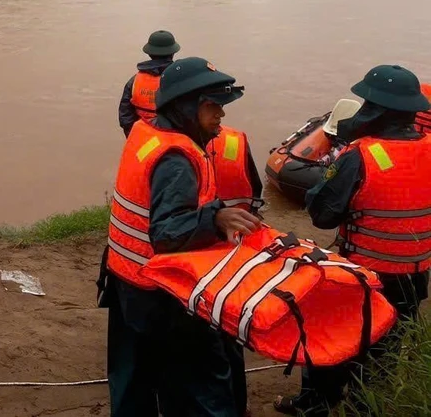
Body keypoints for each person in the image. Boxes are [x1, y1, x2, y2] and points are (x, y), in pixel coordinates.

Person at [100, 57, 262, 417]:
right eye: (213, 106)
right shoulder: (177, 158)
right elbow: (166, 233)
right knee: (202, 387)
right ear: (186, 107)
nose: (221, 114)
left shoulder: (146, 134)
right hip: (163, 294)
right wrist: (214, 218)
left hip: (126, 281)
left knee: (132, 381)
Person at [276, 65, 431, 416]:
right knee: (386, 350)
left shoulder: (360, 155)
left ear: (377, 110)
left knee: (330, 338)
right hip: (414, 276)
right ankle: (365, 407)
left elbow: (323, 214)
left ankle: (316, 404)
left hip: (364, 276)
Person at [208, 125, 264, 417]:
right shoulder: (236, 140)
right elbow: (255, 191)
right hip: (233, 256)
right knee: (228, 335)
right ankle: (238, 406)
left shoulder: (173, 146)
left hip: (195, 259)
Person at [118, 30, 181, 137]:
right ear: (173, 53)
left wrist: (134, 137)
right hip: (174, 138)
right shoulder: (182, 78)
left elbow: (125, 117)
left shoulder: (134, 81)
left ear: (149, 53)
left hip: (143, 137)